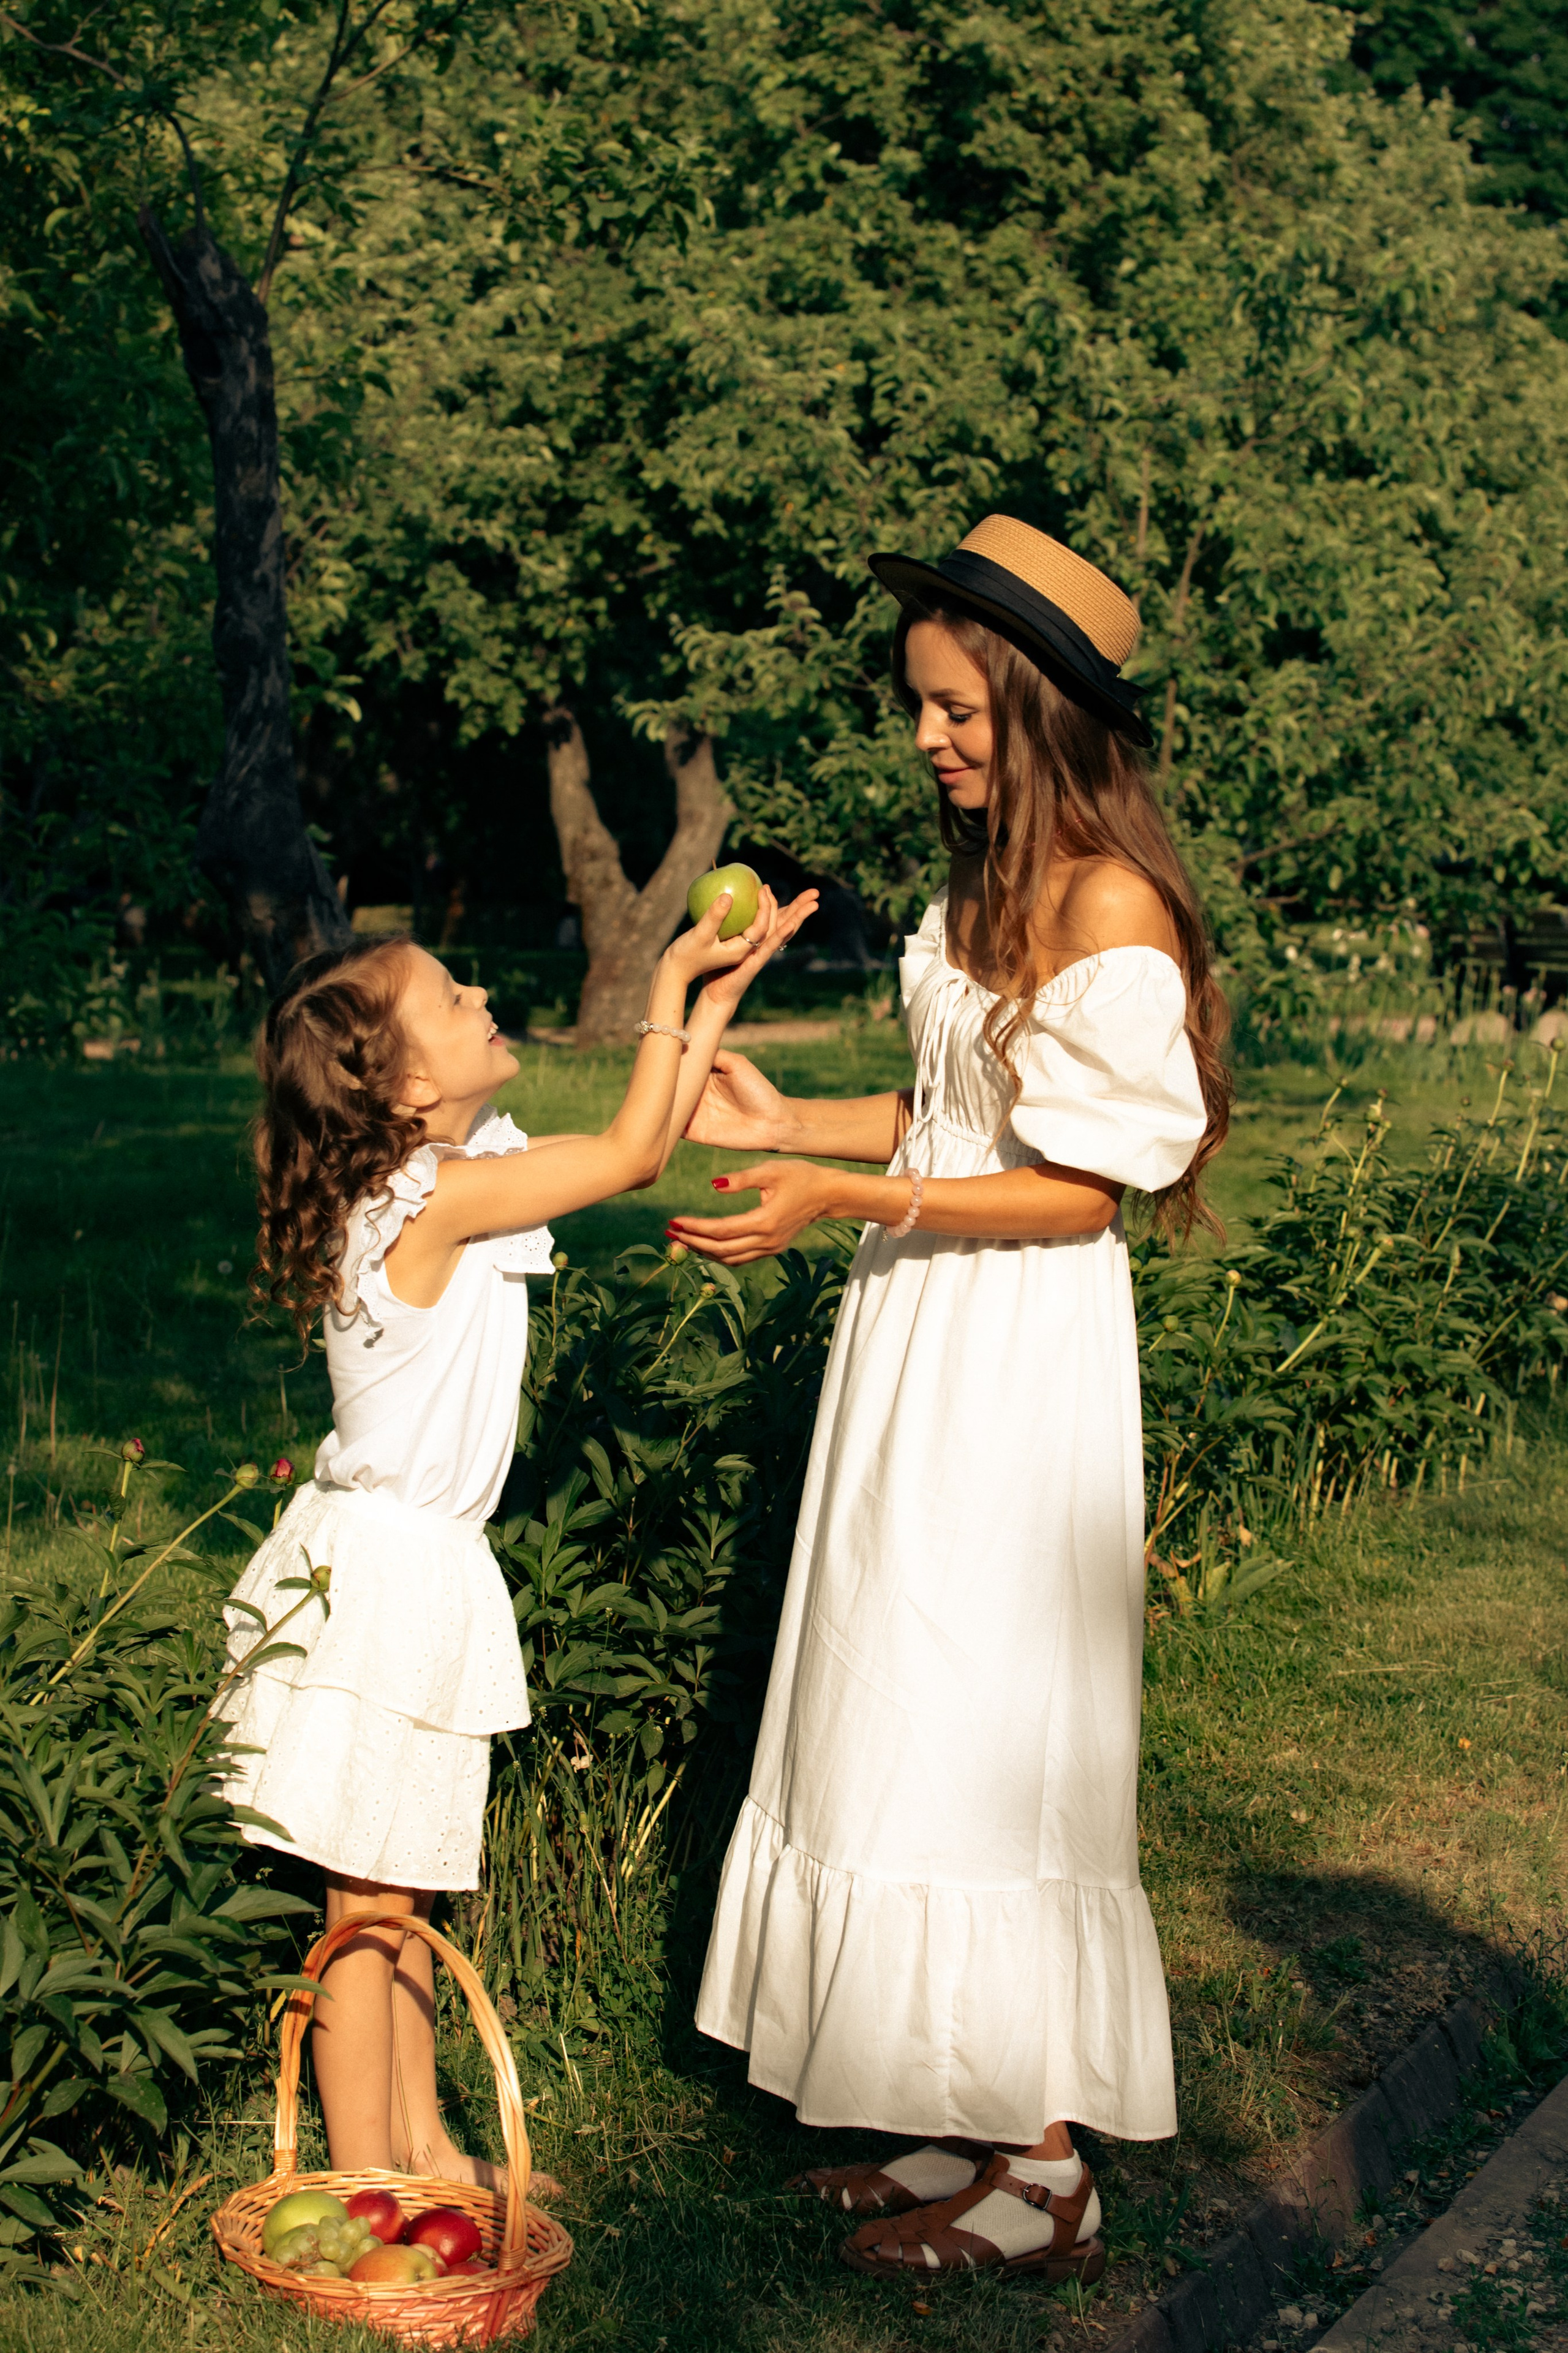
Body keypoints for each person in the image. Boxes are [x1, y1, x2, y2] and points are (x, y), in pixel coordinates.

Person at [670, 516, 1230, 2282]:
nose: (931, 739)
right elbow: (952, 1123)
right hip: (921, 1335)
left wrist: (853, 1201)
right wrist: (792, 1130)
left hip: (1013, 1360)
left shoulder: (1108, 906)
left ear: (1047, 710)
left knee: (991, 1723)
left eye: (963, 711)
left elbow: (1079, 1186)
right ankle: (966, 2102)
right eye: (919, 707)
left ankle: (1047, 2164)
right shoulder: (982, 887)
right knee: (900, 1694)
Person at [218, 878, 815, 2186]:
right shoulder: (429, 1198)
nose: (483, 993)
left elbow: (637, 1133)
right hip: (381, 1580)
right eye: (451, 995)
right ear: (401, 1095)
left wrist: (711, 996)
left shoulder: (446, 1175)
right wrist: (664, 984)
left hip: (410, 1573)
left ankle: (426, 2147)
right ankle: (363, 2184)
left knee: (404, 1895)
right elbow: (630, 1158)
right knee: (363, 1913)